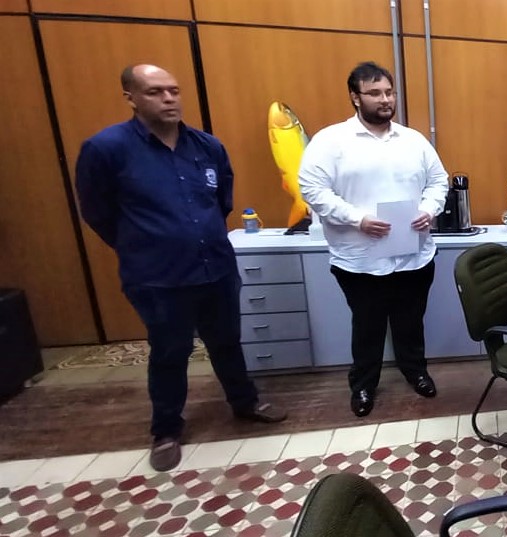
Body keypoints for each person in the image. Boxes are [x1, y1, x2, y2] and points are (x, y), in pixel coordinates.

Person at [75, 64, 287, 472]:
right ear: (131, 98)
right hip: (159, 277)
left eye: (173, 90)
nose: (169, 99)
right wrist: (142, 244)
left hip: (216, 268)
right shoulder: (106, 149)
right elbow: (97, 212)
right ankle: (166, 430)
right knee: (171, 351)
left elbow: (221, 201)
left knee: (227, 341)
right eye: (155, 92)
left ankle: (245, 403)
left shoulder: (206, 146)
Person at [298, 62, 449, 417]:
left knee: (411, 322)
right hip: (361, 259)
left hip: (413, 255)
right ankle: (364, 385)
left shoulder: (413, 141)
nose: (385, 100)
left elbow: (438, 181)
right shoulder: (331, 141)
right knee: (367, 327)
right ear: (355, 97)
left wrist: (429, 209)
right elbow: (313, 189)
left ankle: (416, 372)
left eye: (389, 92)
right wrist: (358, 219)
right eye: (375, 93)